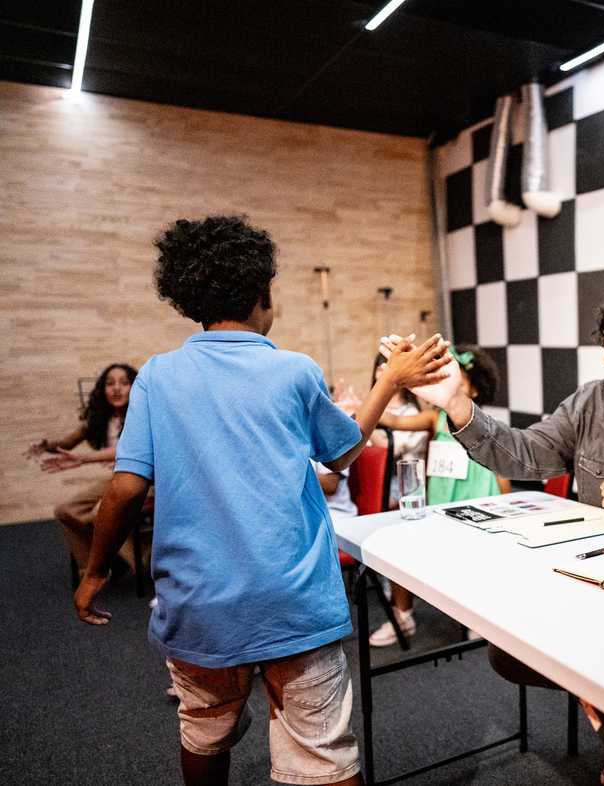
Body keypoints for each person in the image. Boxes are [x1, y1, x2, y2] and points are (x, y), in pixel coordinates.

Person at [72, 214, 450, 786]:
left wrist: (95, 569)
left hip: (199, 604)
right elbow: (343, 454)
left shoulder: (157, 376)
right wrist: (390, 380)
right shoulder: (293, 370)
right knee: (322, 753)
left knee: (203, 729)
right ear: (262, 294)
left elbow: (125, 488)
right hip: (293, 600)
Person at [389, 282, 604, 784]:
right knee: (508, 654)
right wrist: (456, 406)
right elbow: (526, 454)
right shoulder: (591, 402)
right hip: (596, 577)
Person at [367, 344, 511, 646]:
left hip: (478, 499)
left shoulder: (486, 424)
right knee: (403, 547)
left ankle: (480, 615)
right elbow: (393, 422)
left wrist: (505, 503)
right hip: (440, 500)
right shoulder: (435, 419)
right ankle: (401, 615)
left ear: (474, 389)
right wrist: (382, 389)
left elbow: (501, 467)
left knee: (479, 558)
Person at [27, 363, 141, 576]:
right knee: (65, 511)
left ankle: (137, 561)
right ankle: (93, 567)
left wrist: (83, 459)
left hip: (143, 480)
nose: (116, 388)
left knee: (101, 513)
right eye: (110, 383)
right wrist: (46, 446)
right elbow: (67, 444)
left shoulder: (141, 416)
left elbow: (125, 450)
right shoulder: (99, 419)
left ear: (135, 387)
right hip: (116, 480)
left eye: (124, 383)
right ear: (102, 390)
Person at [369, 353, 430, 508]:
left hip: (404, 487)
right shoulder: (372, 407)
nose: (383, 374)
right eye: (379, 369)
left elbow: (390, 449)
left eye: (388, 369)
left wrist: (364, 420)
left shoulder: (411, 413)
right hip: (374, 480)